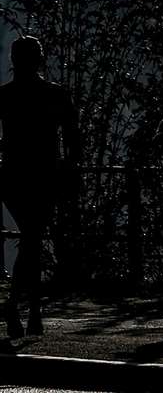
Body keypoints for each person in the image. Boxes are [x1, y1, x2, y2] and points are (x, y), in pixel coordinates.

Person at [0, 35, 79, 338]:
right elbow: (73, 137)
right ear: (40, 60)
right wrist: (71, 169)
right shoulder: (55, 94)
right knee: (33, 238)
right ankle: (27, 308)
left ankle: (22, 307)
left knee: (30, 239)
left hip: (14, 176)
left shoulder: (5, 96)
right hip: (45, 175)